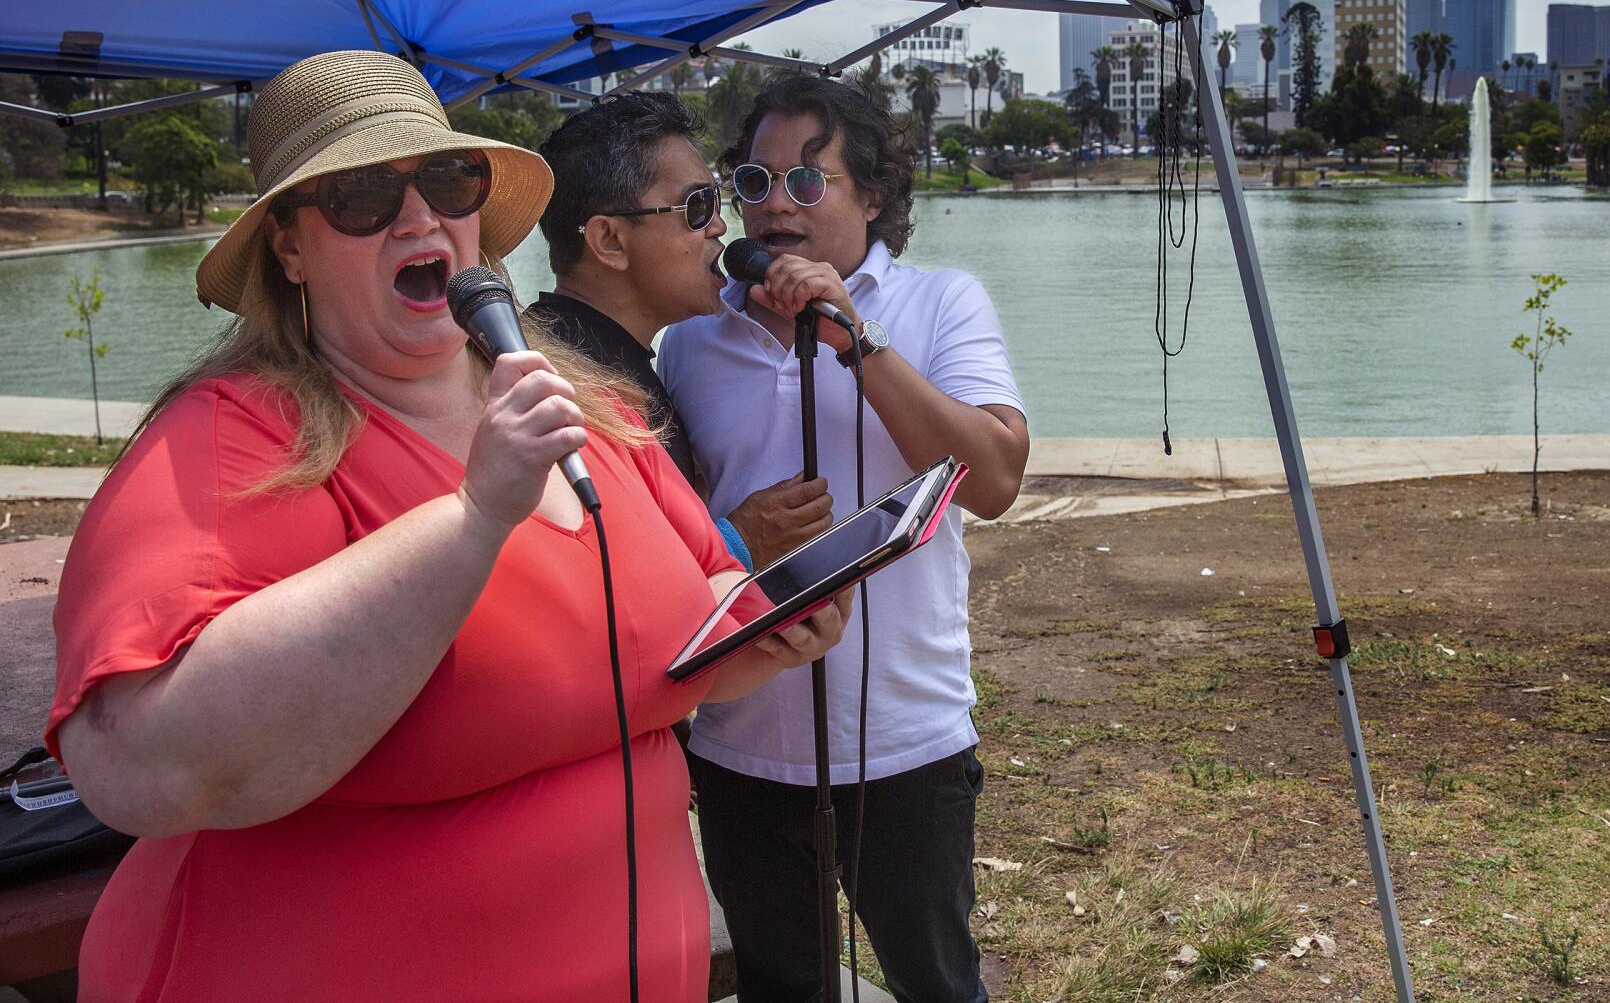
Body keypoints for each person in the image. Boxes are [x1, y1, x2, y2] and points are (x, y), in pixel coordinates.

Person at [44, 51, 850, 1002]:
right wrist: (472, 518)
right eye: (359, 197)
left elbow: (698, 603)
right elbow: (139, 764)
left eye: (444, 179)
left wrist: (768, 622)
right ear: (290, 248)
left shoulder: (588, 405)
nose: (420, 217)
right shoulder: (231, 437)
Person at [659, 72, 1030, 1002]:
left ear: (873, 195)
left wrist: (854, 339)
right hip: (739, 745)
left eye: (809, 182)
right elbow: (666, 531)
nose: (776, 203)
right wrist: (730, 530)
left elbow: (993, 481)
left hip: (904, 744)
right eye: (754, 182)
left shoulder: (941, 303)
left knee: (937, 983)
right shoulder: (693, 339)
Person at [527, 92, 832, 567]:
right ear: (610, 241)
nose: (718, 226)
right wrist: (739, 542)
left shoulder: (596, 358)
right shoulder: (555, 389)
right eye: (696, 206)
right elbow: (595, 577)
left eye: (716, 202)